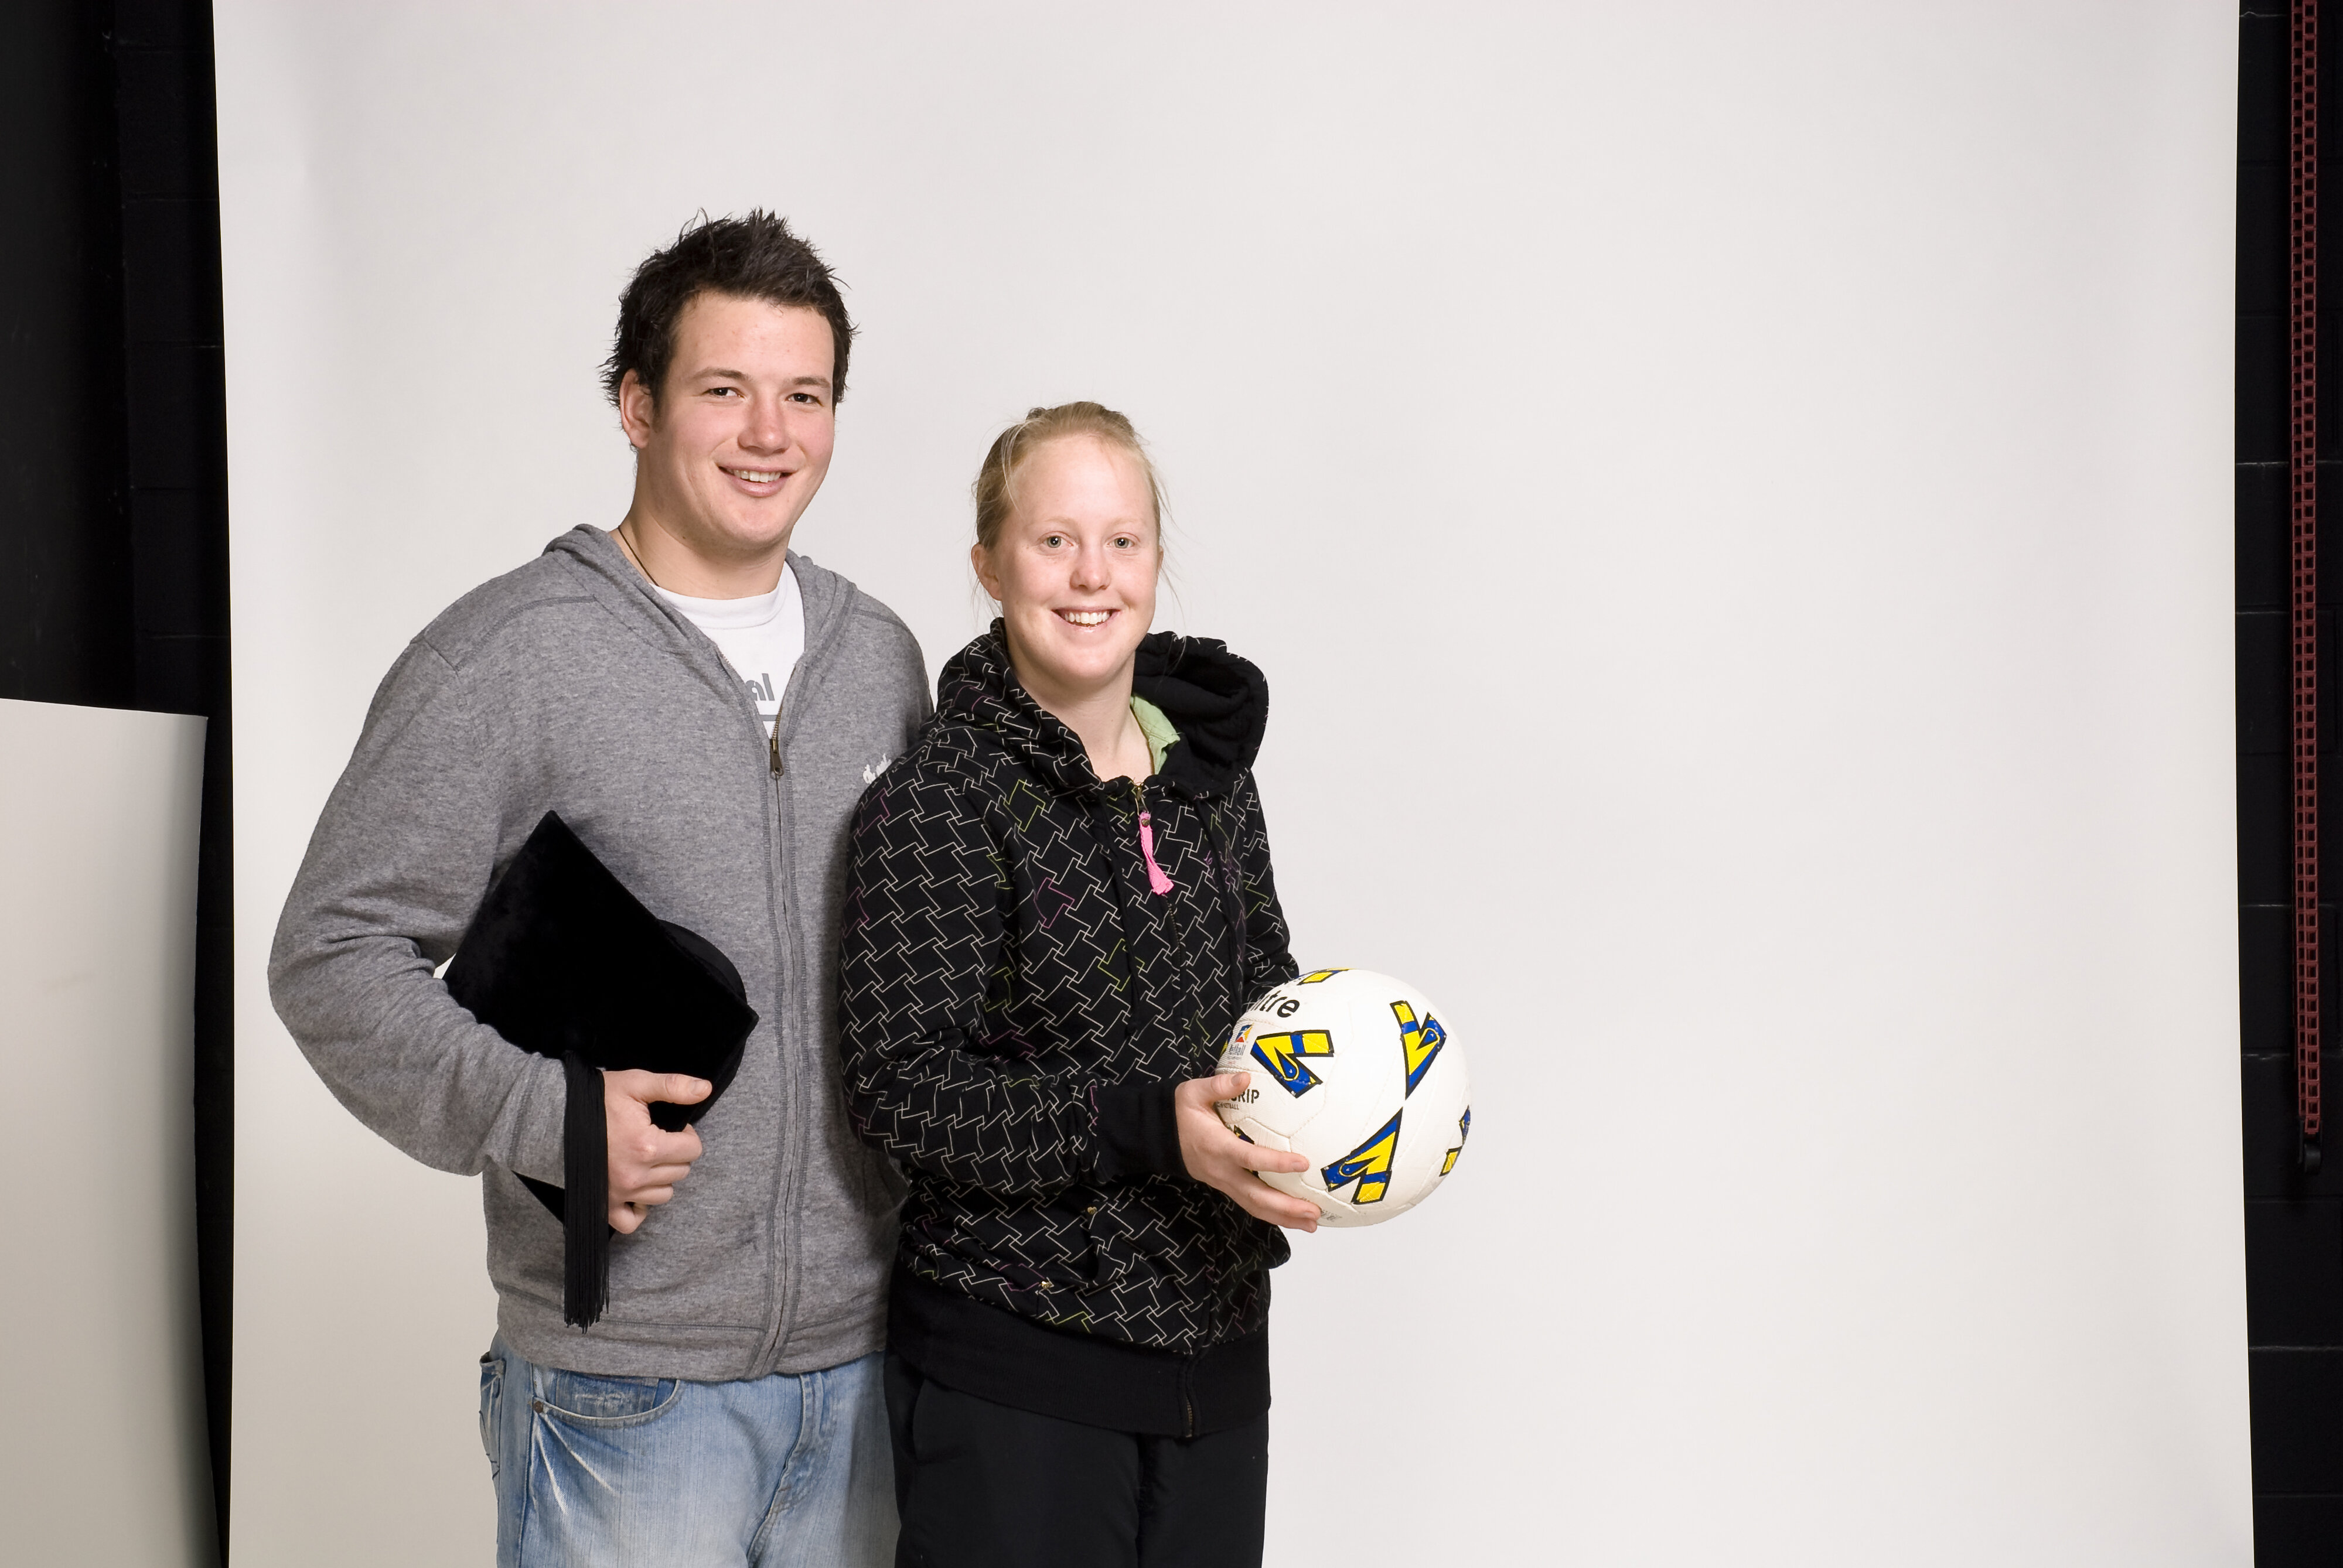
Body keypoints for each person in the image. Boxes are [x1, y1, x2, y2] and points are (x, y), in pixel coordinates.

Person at [269, 211, 927, 1567]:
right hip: (626, 1391)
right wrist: (545, 1114)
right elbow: (331, 952)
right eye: (722, 389)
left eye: (803, 395)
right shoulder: (513, 654)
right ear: (635, 405)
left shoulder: (883, 659)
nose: (768, 432)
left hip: (870, 1375)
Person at [838, 402, 1321, 1567]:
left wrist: (1321, 1111)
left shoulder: (1207, 782)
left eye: (1122, 541)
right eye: (1053, 541)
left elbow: (1265, 991)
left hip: (1215, 1366)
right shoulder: (937, 801)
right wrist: (1150, 1125)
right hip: (1019, 1370)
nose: (1090, 576)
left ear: (1156, 562)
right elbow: (901, 1091)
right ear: (988, 565)